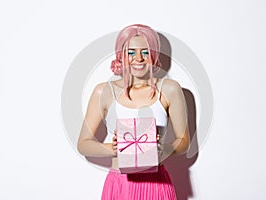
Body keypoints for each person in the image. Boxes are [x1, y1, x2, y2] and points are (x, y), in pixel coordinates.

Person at [77, 24, 190, 200]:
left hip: (157, 183)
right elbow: (83, 144)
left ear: (153, 55)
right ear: (121, 56)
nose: (139, 58)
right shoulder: (104, 92)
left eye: (145, 52)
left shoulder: (169, 90)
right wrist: (112, 148)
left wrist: (164, 149)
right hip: (120, 185)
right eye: (131, 52)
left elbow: (184, 141)